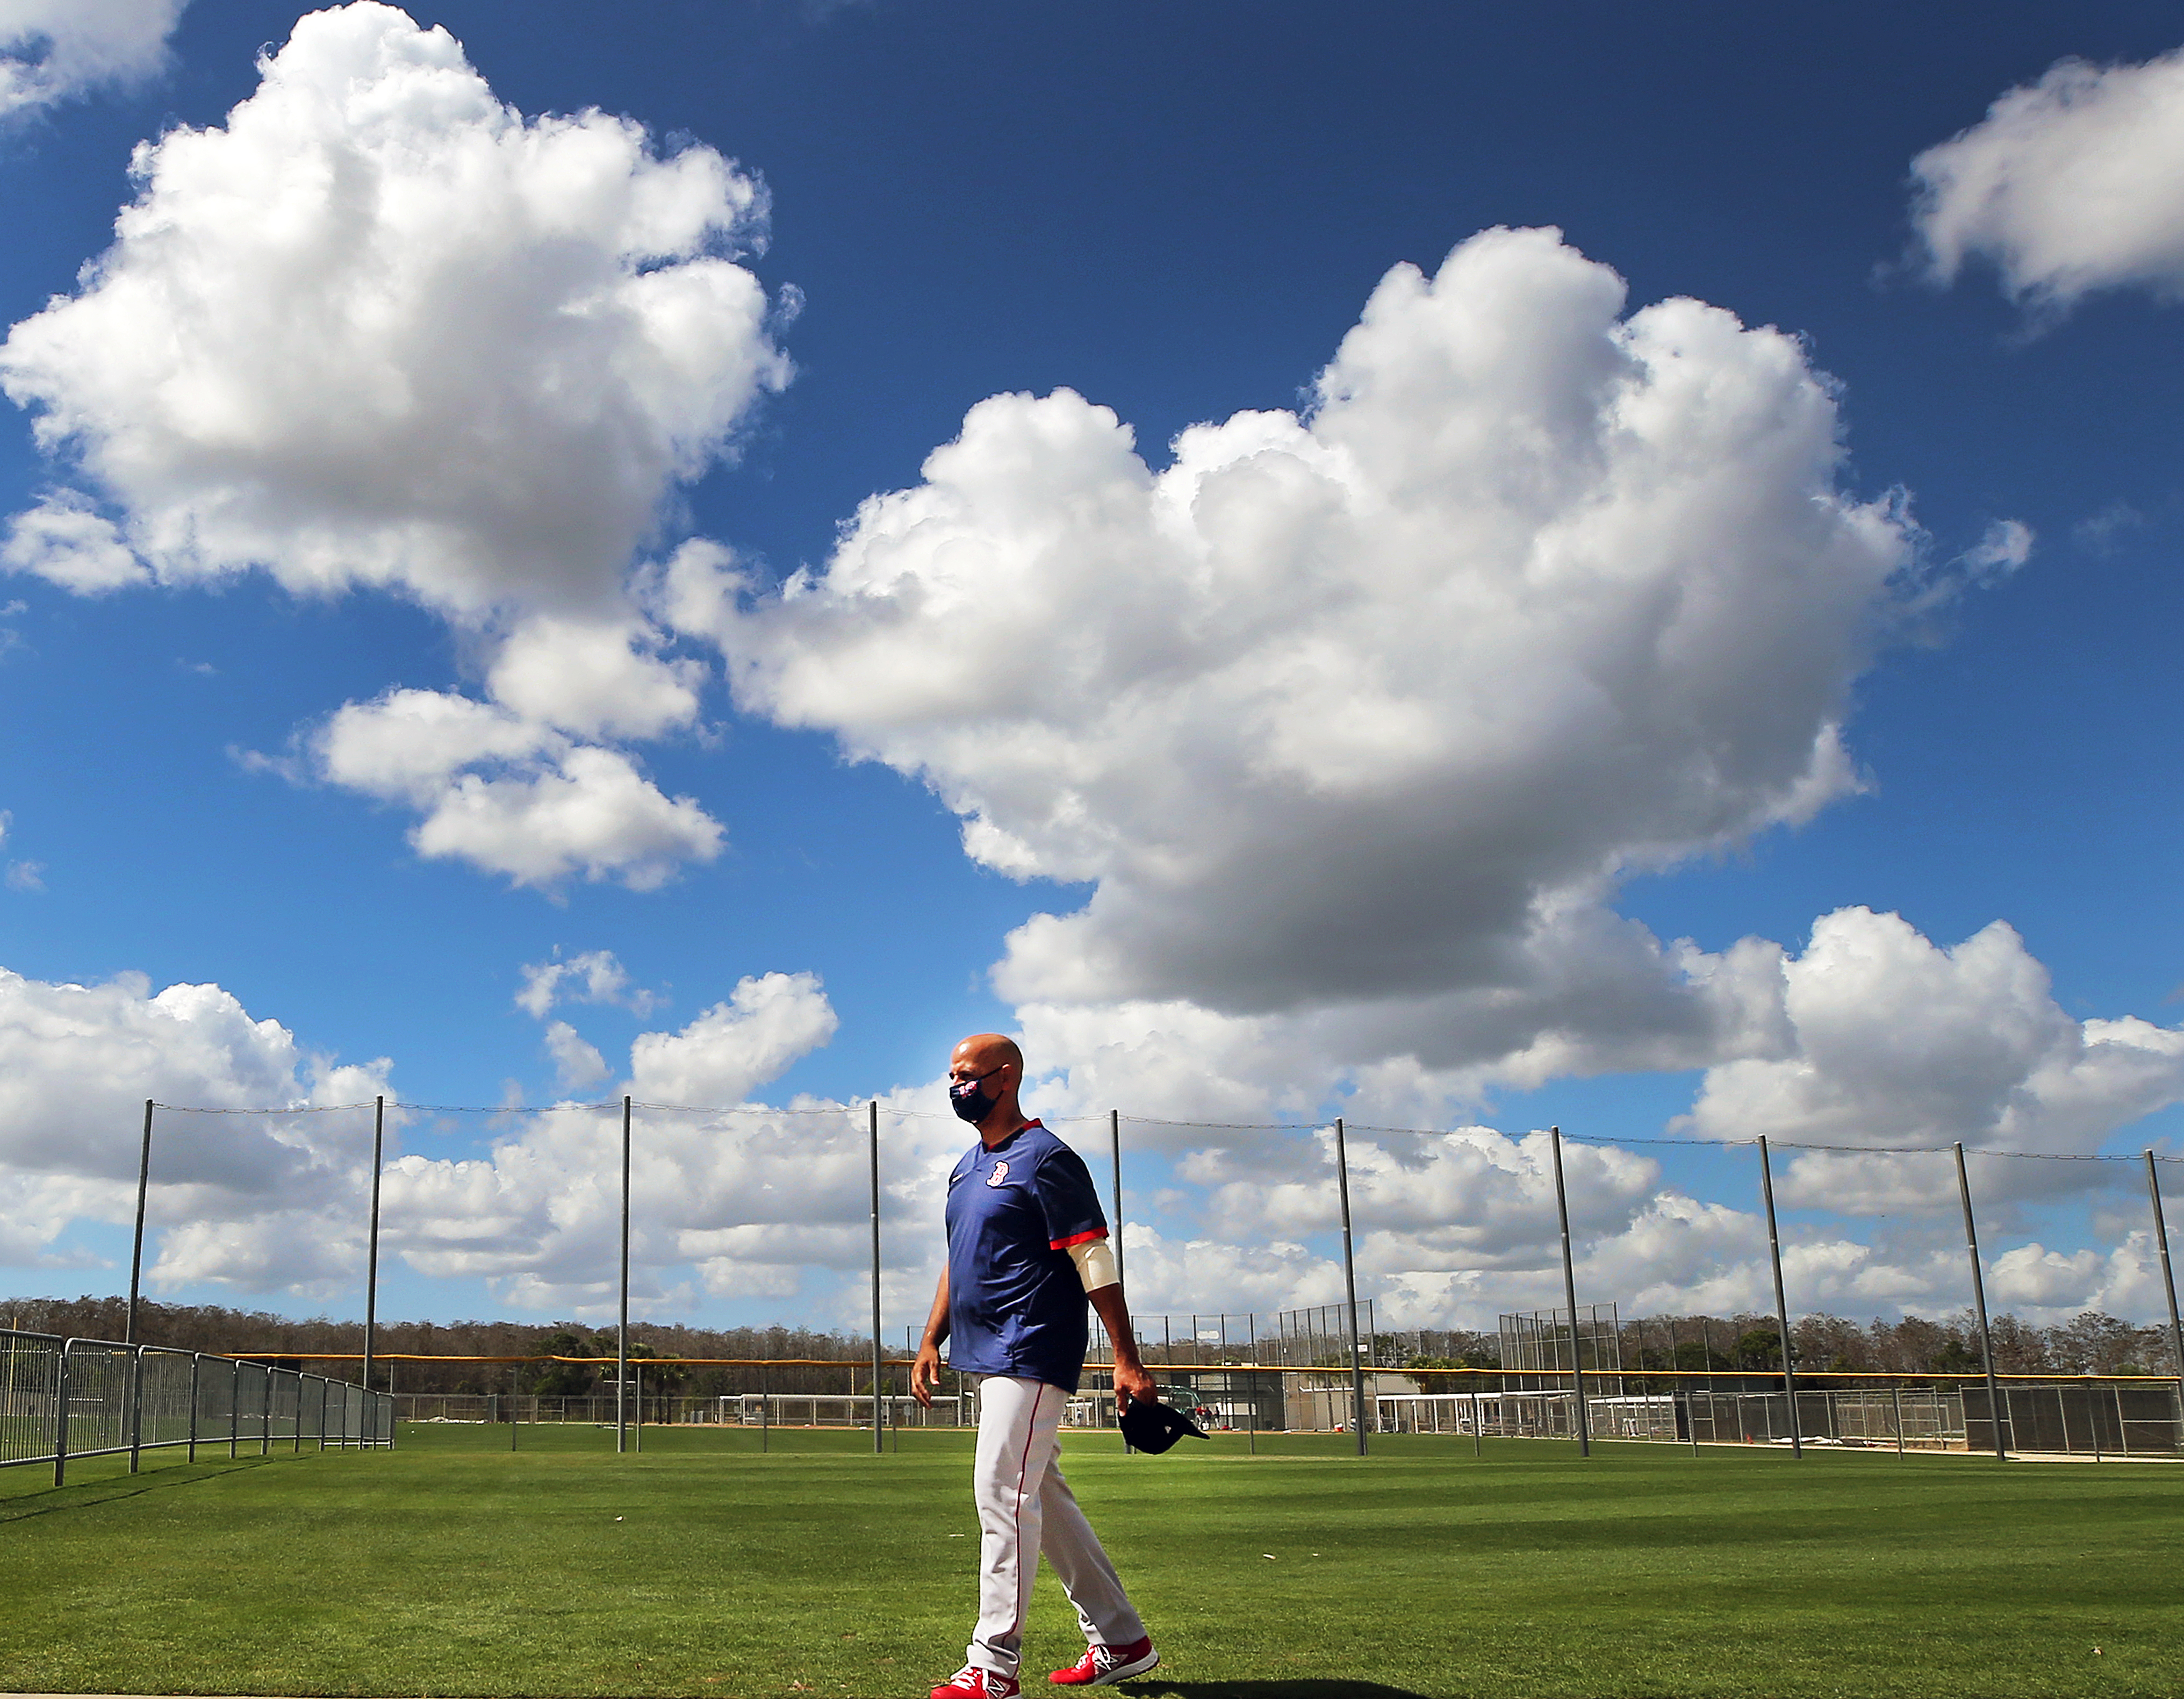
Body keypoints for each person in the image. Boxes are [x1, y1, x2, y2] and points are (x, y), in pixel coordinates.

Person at [913, 1034, 1160, 1699]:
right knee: (1040, 1490)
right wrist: (931, 1336)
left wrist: (1125, 1357)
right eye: (951, 1074)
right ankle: (1122, 1637)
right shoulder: (967, 1166)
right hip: (985, 1346)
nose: (956, 1086)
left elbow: (1093, 1257)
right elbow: (957, 1256)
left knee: (1001, 1491)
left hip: (1032, 1343)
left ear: (1005, 1075)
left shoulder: (1046, 1157)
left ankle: (994, 1665)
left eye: (965, 1074)